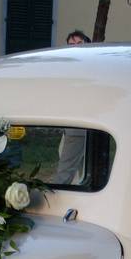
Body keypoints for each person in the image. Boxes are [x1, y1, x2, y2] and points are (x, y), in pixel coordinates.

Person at [54, 30, 91, 183]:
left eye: (79, 43)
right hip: (71, 126)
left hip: (79, 128)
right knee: (83, 173)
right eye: (71, 44)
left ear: (87, 44)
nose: (75, 47)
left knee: (65, 171)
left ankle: (56, 202)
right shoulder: (68, 68)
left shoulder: (89, 67)